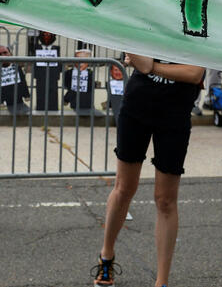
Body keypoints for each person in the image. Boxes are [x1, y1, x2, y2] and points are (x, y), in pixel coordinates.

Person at [92, 53, 204, 287]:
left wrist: (151, 67)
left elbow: (194, 73)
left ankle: (161, 282)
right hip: (137, 106)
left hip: (175, 114)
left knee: (165, 200)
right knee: (124, 188)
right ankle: (106, 255)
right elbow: (137, 58)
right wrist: (151, 66)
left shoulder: (198, 28)